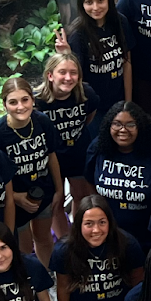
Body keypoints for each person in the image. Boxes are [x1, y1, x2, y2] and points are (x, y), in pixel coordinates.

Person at [0, 77, 63, 267]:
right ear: (4, 104)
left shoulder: (42, 122)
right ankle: (32, 284)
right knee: (23, 247)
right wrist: (16, 197)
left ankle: (49, 277)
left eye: (25, 100)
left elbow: (51, 156)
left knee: (44, 237)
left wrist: (59, 190)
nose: (20, 106)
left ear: (33, 100)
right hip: (15, 202)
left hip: (42, 191)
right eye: (13, 102)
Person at [84, 101, 151, 248]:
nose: (123, 130)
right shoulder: (99, 147)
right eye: (116, 124)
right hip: (111, 235)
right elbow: (89, 181)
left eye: (130, 125)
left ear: (140, 126)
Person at [37, 52, 100, 214]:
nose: (68, 77)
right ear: (50, 75)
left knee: (81, 194)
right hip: (51, 157)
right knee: (56, 201)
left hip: (77, 152)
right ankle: (64, 237)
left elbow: (89, 116)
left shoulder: (86, 93)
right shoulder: (37, 101)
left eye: (73, 73)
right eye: (62, 72)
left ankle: (77, 232)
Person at [63, 0, 131, 120]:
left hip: (119, 101)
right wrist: (66, 55)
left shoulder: (120, 22)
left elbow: (127, 62)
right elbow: (77, 77)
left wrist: (128, 102)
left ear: (108, 0)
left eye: (100, 0)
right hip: (94, 108)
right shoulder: (78, 34)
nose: (95, 7)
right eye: (89, 2)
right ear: (82, 4)